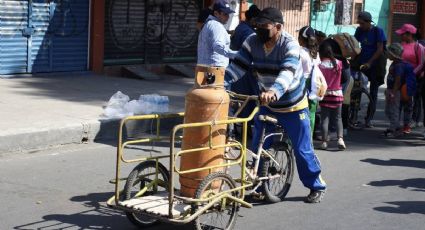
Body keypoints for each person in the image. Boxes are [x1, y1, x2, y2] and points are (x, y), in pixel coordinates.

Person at [225, 7, 327, 203]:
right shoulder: (252, 41)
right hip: (267, 104)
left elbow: (287, 72)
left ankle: (316, 185)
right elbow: (238, 66)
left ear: (278, 27)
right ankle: (258, 183)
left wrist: (274, 91)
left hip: (292, 105)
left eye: (265, 26)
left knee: (302, 150)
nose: (259, 30)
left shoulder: (289, 45)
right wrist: (220, 84)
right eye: (258, 26)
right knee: (258, 146)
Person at [228, 4, 261, 136]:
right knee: (248, 102)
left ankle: (238, 129)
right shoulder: (249, 33)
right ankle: (245, 132)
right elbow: (251, 53)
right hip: (246, 71)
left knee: (239, 101)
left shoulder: (240, 27)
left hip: (237, 69)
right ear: (253, 19)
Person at [354, 11, 387, 128]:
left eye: (362, 23)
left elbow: (380, 50)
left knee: (373, 92)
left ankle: (369, 118)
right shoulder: (359, 31)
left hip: (375, 65)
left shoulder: (378, 31)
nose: (360, 26)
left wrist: (369, 62)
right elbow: (355, 45)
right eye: (359, 23)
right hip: (362, 63)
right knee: (355, 88)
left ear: (369, 22)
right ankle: (353, 115)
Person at [395, 24, 425, 132]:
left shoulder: (419, 47)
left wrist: (411, 74)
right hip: (400, 78)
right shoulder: (401, 45)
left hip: (412, 79)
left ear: (409, 35)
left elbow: (421, 63)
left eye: (402, 34)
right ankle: (396, 124)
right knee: (398, 101)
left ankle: (408, 123)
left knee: (409, 101)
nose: (400, 36)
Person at [383, 43, 416, 137]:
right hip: (391, 90)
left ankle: (394, 130)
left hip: (396, 92)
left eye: (389, 53)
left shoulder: (399, 66)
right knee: (388, 110)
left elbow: (398, 80)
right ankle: (396, 127)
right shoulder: (395, 63)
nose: (387, 54)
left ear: (394, 54)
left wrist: (393, 93)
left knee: (393, 110)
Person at [318, 43, 346, 150]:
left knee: (325, 118)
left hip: (325, 95)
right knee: (338, 118)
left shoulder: (320, 66)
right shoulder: (339, 63)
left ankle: (324, 141)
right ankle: (340, 139)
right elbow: (343, 78)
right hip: (337, 95)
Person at [197, 0, 237, 68]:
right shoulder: (216, 26)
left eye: (228, 14)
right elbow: (218, 46)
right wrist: (237, 54)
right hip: (215, 70)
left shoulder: (209, 24)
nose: (228, 17)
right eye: (225, 14)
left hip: (206, 68)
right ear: (216, 13)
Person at [298, 26, 321, 136]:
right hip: (314, 85)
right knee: (311, 113)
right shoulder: (316, 53)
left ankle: (293, 140)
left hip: (301, 84)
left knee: (298, 112)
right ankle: (309, 139)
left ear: (301, 39)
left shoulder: (300, 52)